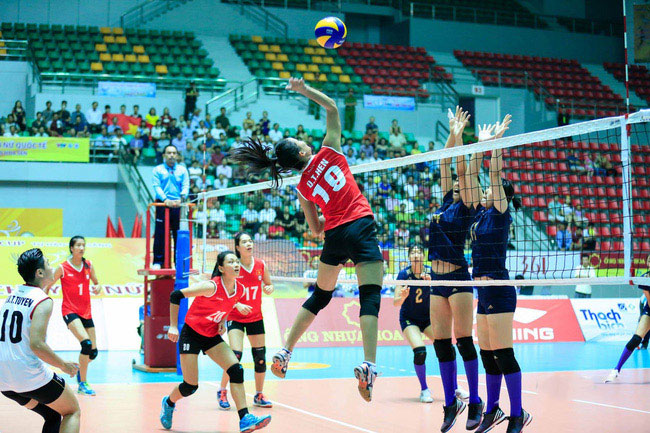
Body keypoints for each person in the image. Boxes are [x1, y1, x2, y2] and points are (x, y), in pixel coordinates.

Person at [231, 77, 384, 402]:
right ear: (302, 150)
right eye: (299, 140)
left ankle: (286, 351)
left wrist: (330, 212)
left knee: (320, 296)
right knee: (370, 295)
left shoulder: (302, 187)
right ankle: (369, 364)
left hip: (334, 236)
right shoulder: (330, 150)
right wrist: (304, 91)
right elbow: (332, 107)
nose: (303, 140)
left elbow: (315, 229)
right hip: (360, 225)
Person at [467, 115, 532, 433]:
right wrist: (478, 146)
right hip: (482, 291)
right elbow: (471, 178)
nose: (485, 191)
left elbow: (494, 174)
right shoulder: (481, 214)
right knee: (488, 354)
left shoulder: (500, 213)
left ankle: (518, 413)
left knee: (504, 353)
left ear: (500, 194)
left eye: (491, 189)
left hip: (499, 288)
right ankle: (493, 410)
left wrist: (497, 143)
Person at [159, 251, 271, 432]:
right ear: (221, 268)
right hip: (192, 334)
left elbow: (228, 303)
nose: (236, 264)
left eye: (237, 261)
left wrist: (222, 321)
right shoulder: (210, 286)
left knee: (236, 370)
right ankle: (169, 402)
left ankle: (245, 419)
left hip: (211, 335)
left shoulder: (240, 289)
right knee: (190, 386)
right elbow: (175, 295)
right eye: (231, 262)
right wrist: (173, 326)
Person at [428, 107, 482, 431]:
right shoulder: (447, 201)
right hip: (436, 278)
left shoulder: (468, 206)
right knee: (440, 343)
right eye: (457, 184)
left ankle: (475, 400)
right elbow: (443, 163)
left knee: (463, 340)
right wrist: (452, 132)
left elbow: (461, 169)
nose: (458, 184)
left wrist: (461, 137)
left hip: (459, 277)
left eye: (463, 184)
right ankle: (451, 403)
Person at [1, 248, 81, 433]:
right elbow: (37, 345)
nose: (52, 267)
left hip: (3, 379)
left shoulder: (12, 295)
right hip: (26, 376)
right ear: (39, 273)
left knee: (52, 415)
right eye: (48, 264)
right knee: (72, 411)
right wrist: (63, 365)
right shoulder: (42, 300)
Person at [217, 233, 275, 410]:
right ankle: (222, 391)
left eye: (250, 241)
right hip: (235, 317)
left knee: (260, 358)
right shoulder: (234, 267)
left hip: (255, 317)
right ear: (237, 247)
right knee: (235, 355)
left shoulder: (261, 265)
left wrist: (269, 288)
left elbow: (268, 284)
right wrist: (237, 304)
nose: (249, 244)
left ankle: (259, 394)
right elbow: (224, 292)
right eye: (244, 242)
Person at [45, 236, 101, 396]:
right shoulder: (62, 268)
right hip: (70, 311)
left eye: (83, 245)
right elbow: (48, 286)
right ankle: (83, 383)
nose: (81, 248)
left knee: (93, 352)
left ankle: (80, 371)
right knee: (86, 344)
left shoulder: (88, 265)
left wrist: (98, 287)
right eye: (78, 245)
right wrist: (42, 302)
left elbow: (97, 283)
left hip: (86, 311)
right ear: (72, 248)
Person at [393, 246, 435, 403]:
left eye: (419, 252)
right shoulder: (404, 274)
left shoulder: (431, 272)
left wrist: (432, 285)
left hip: (428, 318)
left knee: (446, 348)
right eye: (413, 253)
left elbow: (442, 294)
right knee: (420, 351)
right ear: (409, 257)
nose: (416, 255)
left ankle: (454, 387)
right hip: (409, 319)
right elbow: (396, 302)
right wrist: (403, 296)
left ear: (424, 256)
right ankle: (424, 390)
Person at [605, 254, 650, 383]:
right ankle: (616, 370)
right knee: (636, 339)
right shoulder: (645, 279)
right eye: (649, 261)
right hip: (649, 310)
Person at [151, 144, 189, 269]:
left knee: (178, 233)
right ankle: (158, 261)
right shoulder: (157, 170)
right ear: (164, 155)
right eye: (169, 153)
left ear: (177, 155)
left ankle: (178, 263)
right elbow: (156, 186)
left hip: (178, 204)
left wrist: (181, 198)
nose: (171, 155)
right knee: (160, 233)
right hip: (162, 204)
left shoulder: (182, 170)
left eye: (174, 153)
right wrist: (165, 199)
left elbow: (185, 186)